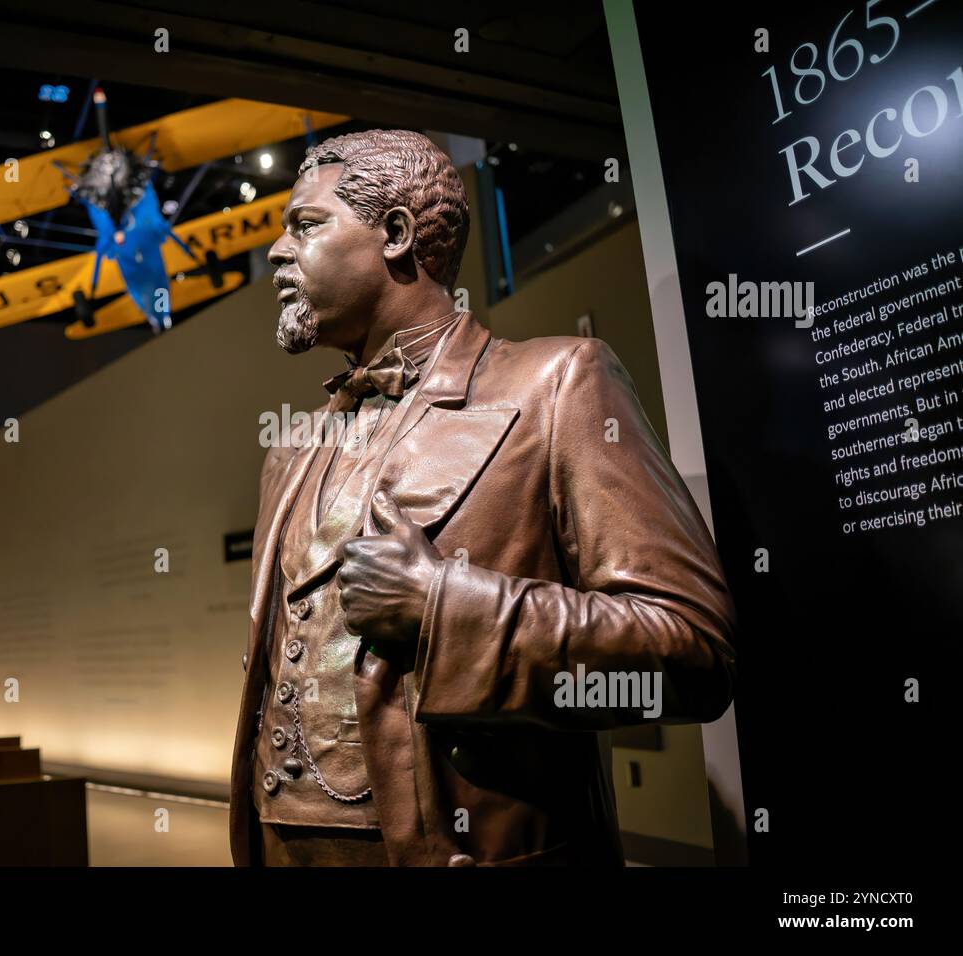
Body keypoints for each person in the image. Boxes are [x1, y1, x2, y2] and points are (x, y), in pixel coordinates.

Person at [229, 129, 736, 866]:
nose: (277, 252)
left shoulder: (556, 383)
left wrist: (445, 607)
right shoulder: (291, 450)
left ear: (397, 235)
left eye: (306, 225)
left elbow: (694, 652)